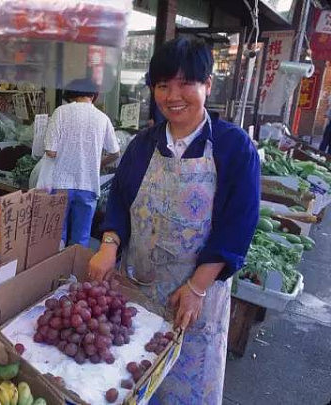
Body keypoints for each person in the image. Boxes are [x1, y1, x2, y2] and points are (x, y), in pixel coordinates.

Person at [88, 38, 260, 404]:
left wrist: (197, 288)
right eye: (163, 85)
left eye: (186, 84)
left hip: (195, 297)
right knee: (131, 379)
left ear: (208, 85)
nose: (173, 95)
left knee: (186, 389)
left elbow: (237, 225)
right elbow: (119, 202)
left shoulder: (234, 147)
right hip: (138, 290)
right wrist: (108, 246)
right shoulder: (141, 145)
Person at [43, 78, 120, 248]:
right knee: (81, 238)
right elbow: (115, 152)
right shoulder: (103, 118)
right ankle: (74, 273)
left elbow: (50, 151)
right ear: (95, 94)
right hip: (88, 185)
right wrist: (98, 163)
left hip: (61, 184)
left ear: (71, 93)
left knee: (56, 236)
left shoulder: (60, 112)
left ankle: (53, 271)